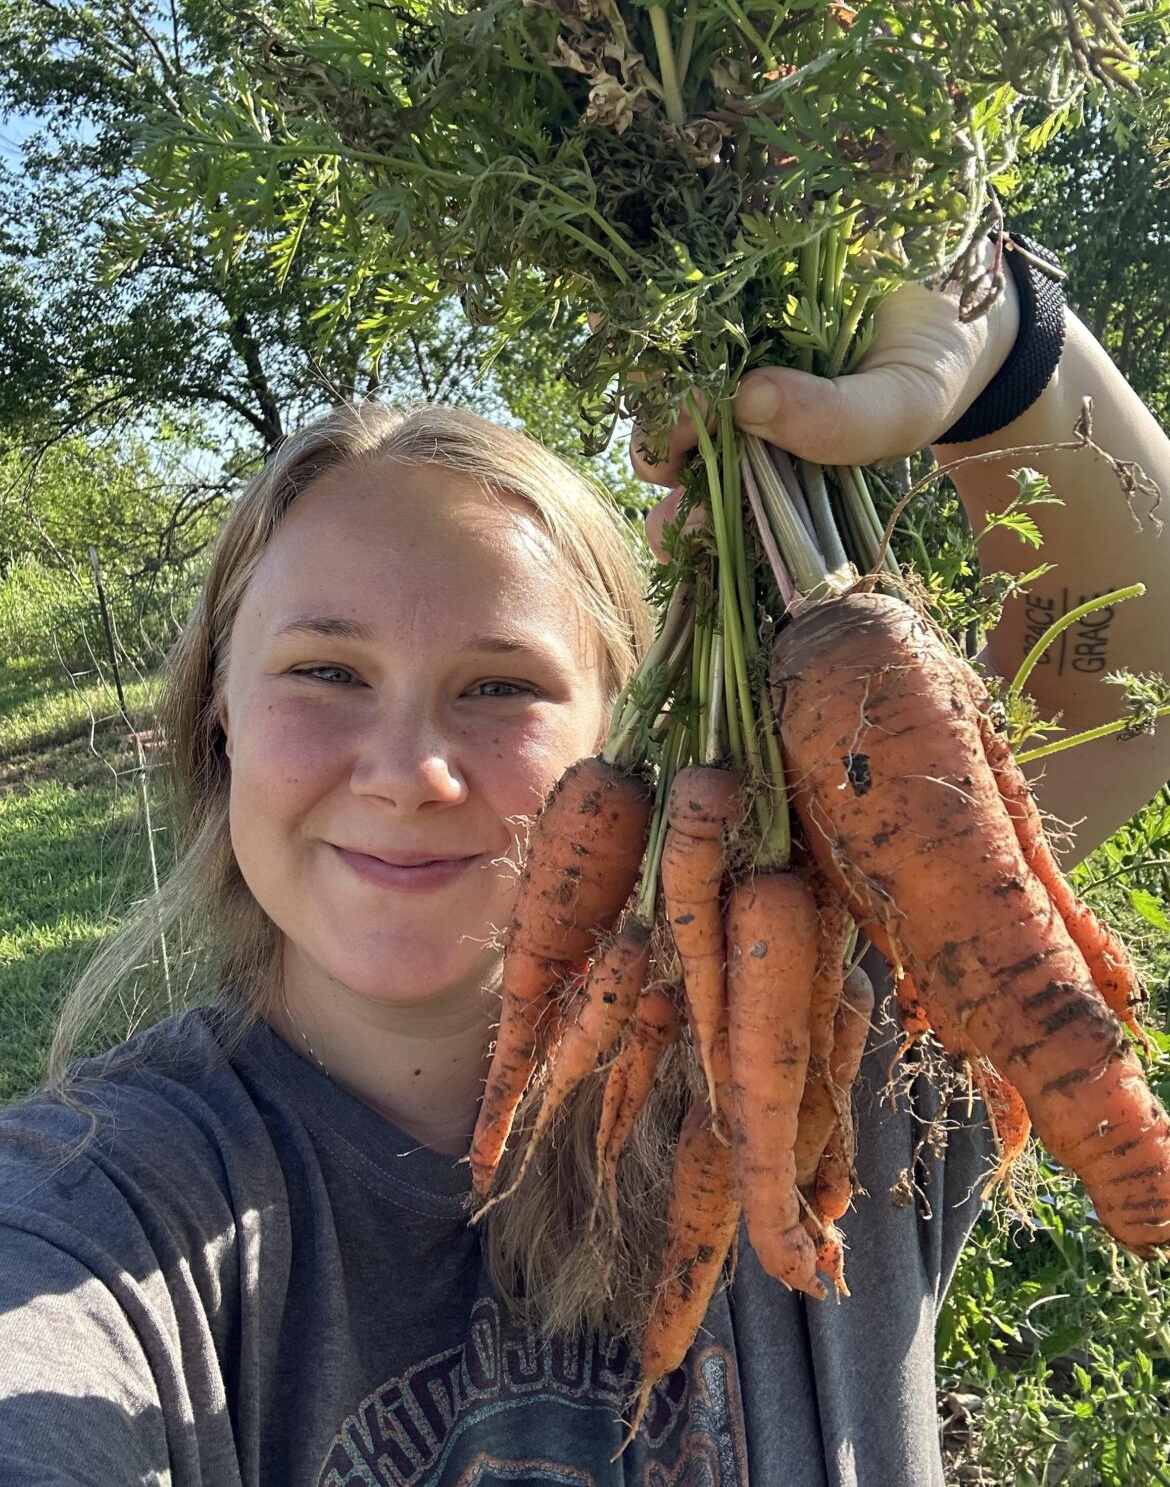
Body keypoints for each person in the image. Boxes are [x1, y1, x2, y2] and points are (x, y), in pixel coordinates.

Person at [1, 246, 1168, 1487]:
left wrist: (992, 339)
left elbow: (1130, 669)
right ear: (217, 718)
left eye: (499, 686)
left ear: (631, 725)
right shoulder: (103, 1211)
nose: (409, 772)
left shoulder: (837, 1038)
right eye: (326, 673)